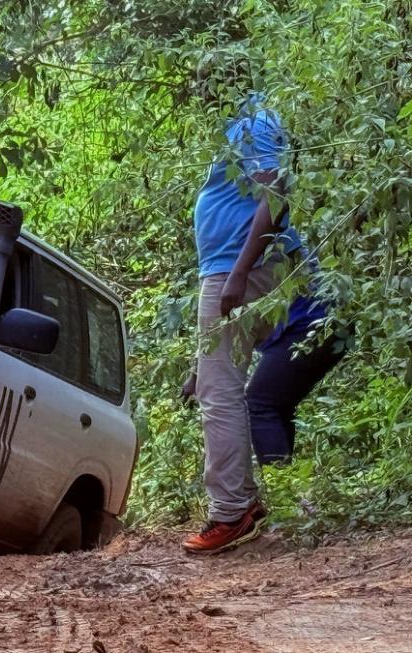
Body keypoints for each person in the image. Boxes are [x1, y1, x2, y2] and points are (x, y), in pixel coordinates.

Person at [181, 63, 306, 554]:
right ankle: (241, 504)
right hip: (237, 267)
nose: (199, 95)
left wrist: (238, 271)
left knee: (219, 395)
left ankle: (232, 511)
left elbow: (276, 191)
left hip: (238, 268)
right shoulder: (242, 125)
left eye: (204, 85)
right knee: (216, 382)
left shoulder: (253, 122)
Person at [183, 290, 346, 465]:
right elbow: (218, 326)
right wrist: (195, 373)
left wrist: (196, 373)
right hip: (328, 322)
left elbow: (218, 321)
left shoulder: (237, 281)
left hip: (309, 323)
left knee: (260, 404)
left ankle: (279, 476)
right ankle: (285, 476)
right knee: (277, 405)